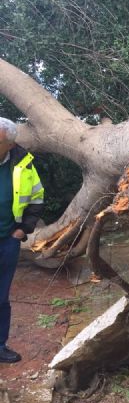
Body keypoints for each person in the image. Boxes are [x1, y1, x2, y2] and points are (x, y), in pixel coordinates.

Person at [0, 117, 44, 364]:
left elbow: (37, 198)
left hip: (7, 241)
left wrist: (23, 229)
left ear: (8, 144)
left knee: (1, 297)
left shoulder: (23, 165)